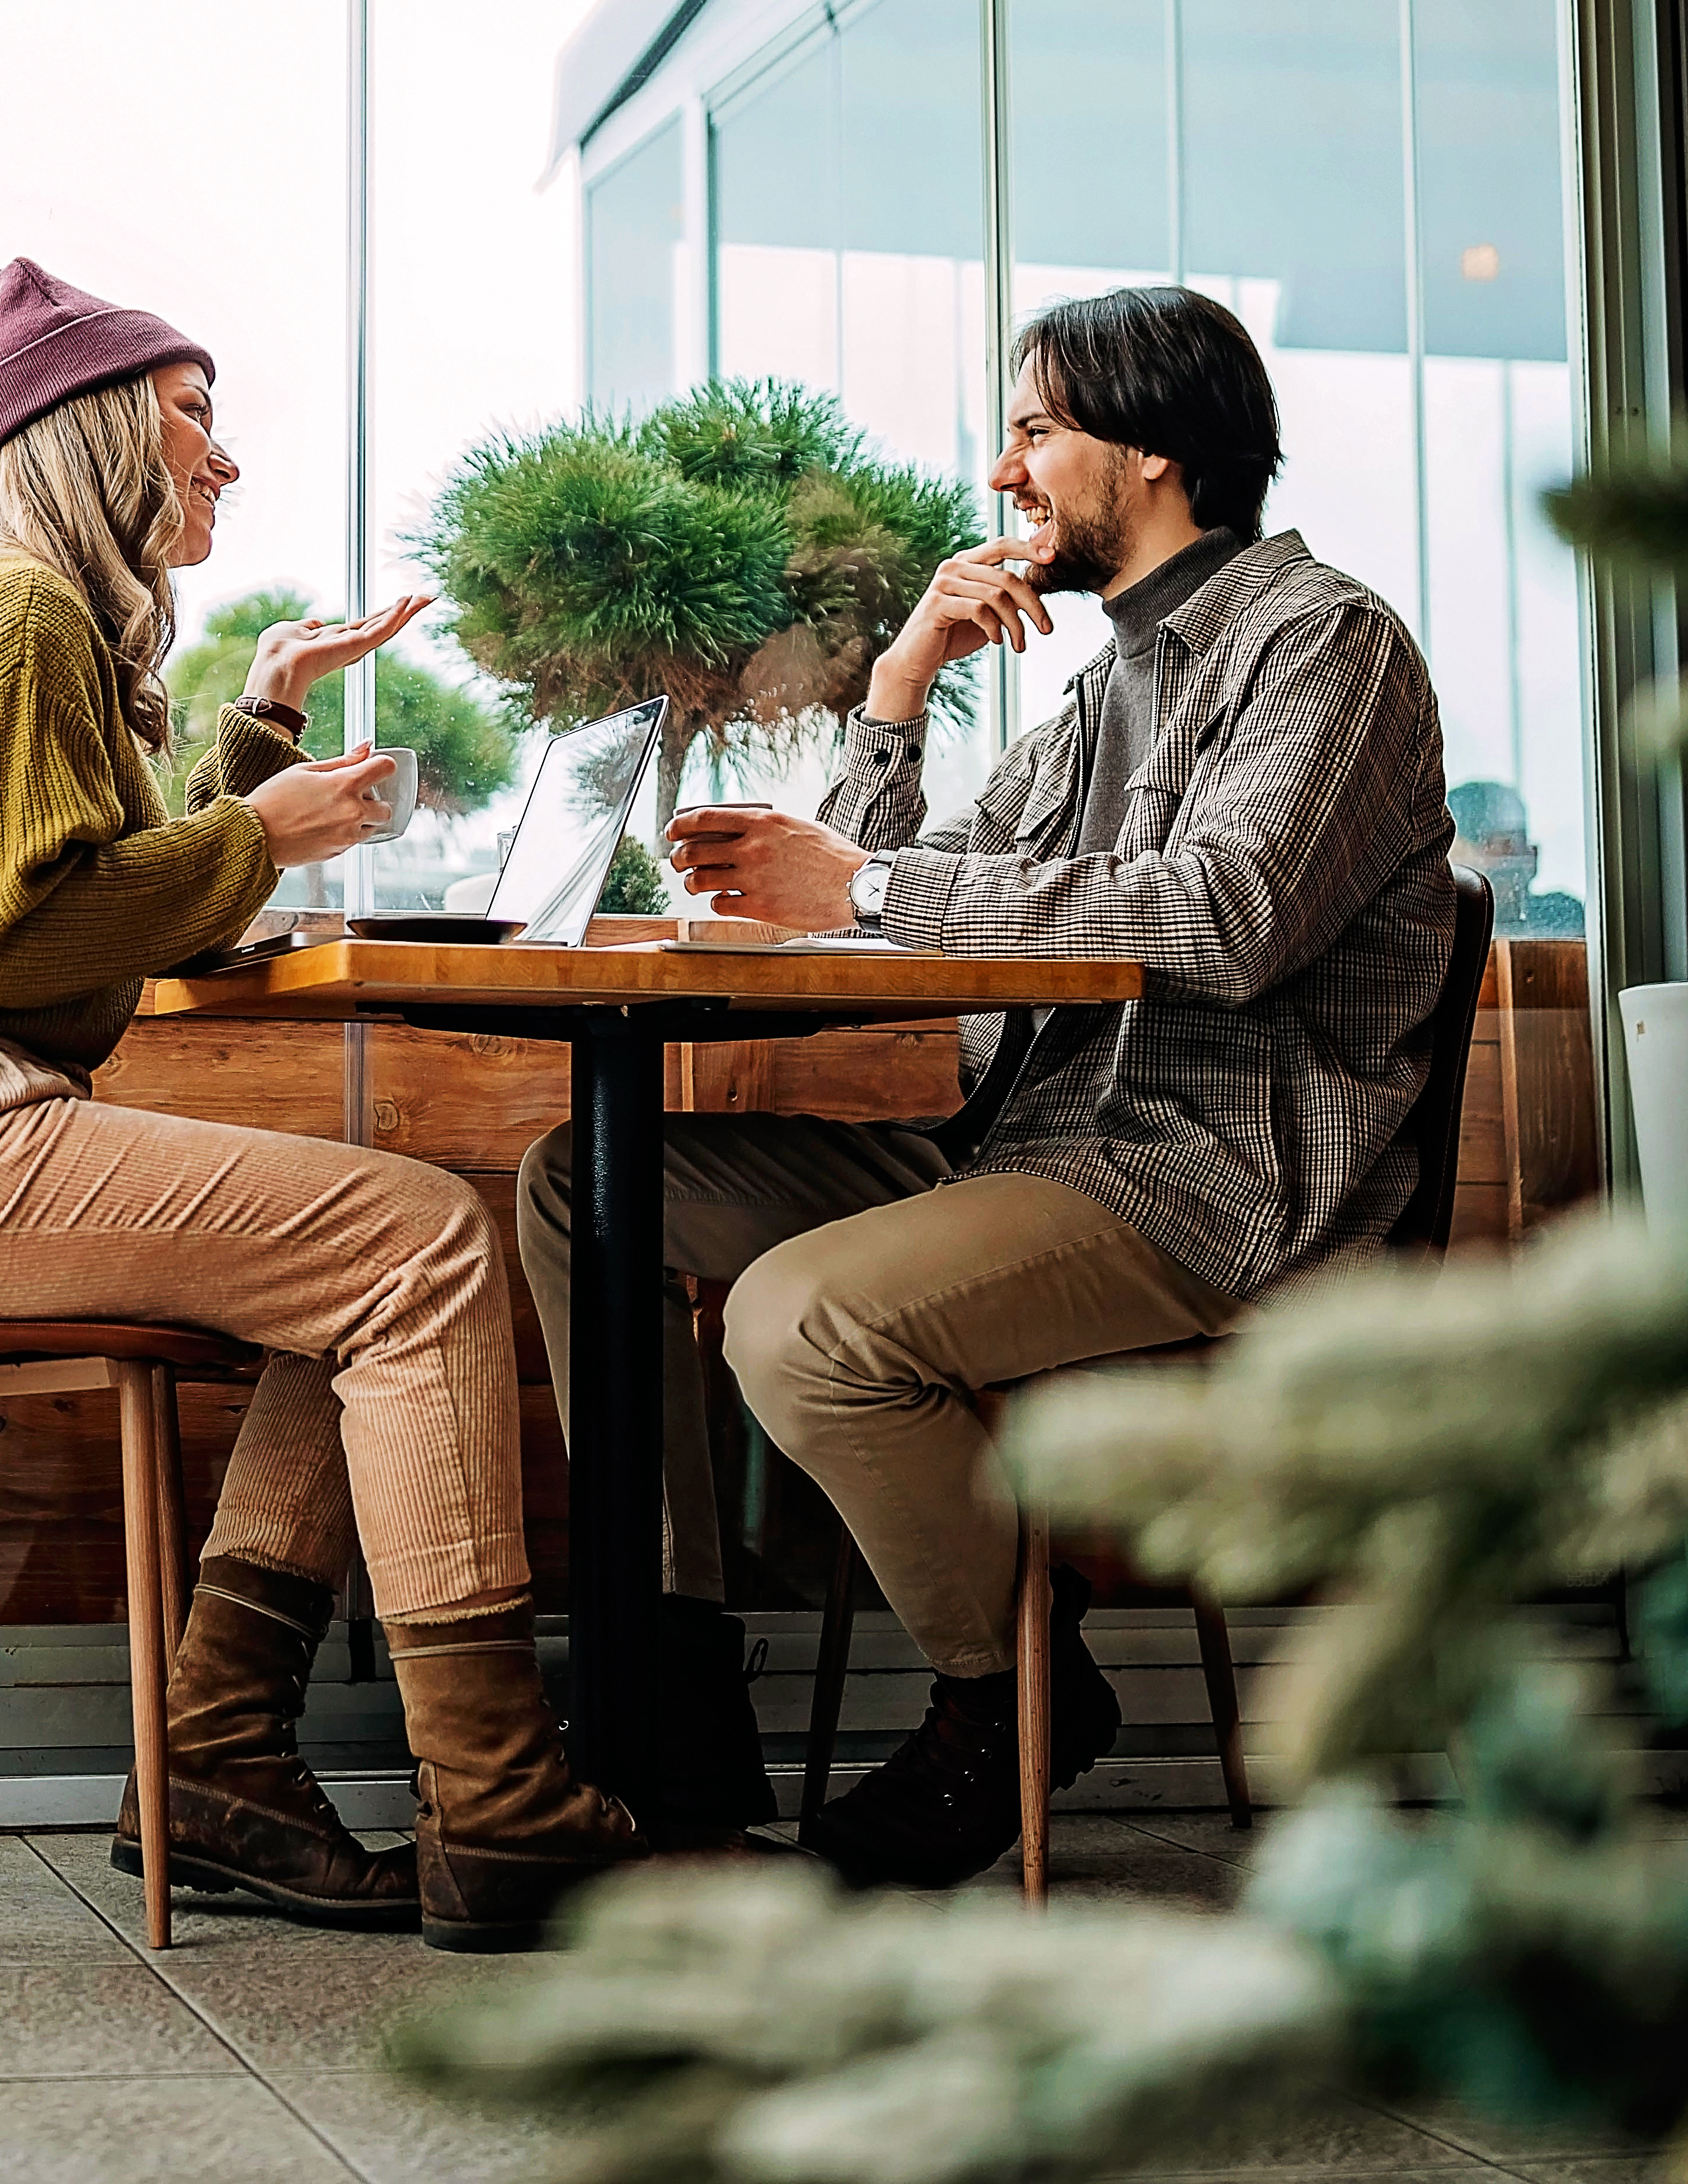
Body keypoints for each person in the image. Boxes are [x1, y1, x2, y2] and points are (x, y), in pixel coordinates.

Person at [0, 255, 644, 1950]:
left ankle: (217, 1759)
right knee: (429, 1239)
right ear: (88, 433)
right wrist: (270, 837)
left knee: (358, 1270)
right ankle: (506, 1810)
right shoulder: (15, 616)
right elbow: (21, 937)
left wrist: (256, 734)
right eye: (193, 414)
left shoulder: (4, 607)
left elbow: (73, 877)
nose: (225, 456)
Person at [515, 282, 1451, 1887]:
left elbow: (1223, 916)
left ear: (1150, 449)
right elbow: (886, 893)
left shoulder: (1324, 646)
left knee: (803, 1318)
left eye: (1033, 434)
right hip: (1021, 1156)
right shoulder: (1098, 694)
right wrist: (900, 678)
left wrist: (866, 895)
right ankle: (671, 1708)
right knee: (586, 1185)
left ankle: (1005, 1692)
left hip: (1211, 1186)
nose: (1004, 478)